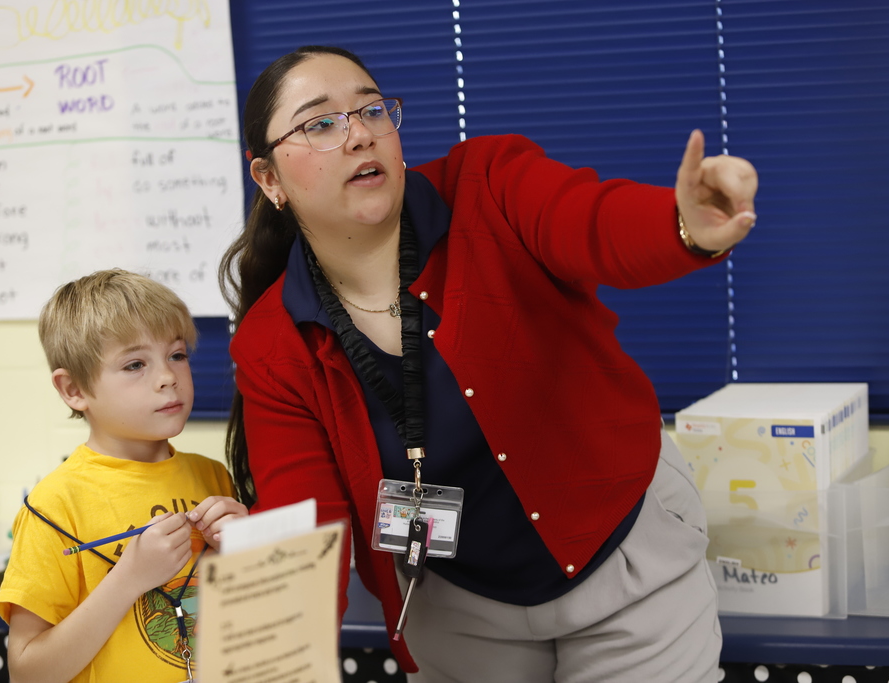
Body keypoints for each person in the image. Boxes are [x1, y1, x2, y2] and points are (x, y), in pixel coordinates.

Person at [220, 45, 758, 683]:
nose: (359, 133)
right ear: (269, 180)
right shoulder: (272, 344)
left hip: (624, 557)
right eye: (320, 123)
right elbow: (305, 520)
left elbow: (595, 225)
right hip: (460, 609)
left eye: (371, 110)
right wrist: (268, 661)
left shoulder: (489, 184)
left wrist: (682, 225)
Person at [0, 269, 248, 683]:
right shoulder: (55, 504)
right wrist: (128, 578)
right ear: (74, 389)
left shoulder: (212, 475)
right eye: (134, 364)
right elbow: (27, 673)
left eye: (177, 355)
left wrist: (242, 554)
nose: (168, 377)